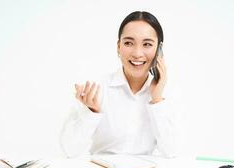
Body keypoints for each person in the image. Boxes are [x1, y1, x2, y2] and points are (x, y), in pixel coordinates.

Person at [60, 11, 176, 158]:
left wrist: (157, 100)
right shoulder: (97, 88)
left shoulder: (165, 93)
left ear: (159, 50)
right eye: (128, 43)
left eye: (147, 44)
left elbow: (172, 151)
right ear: (118, 46)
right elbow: (70, 150)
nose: (137, 53)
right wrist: (91, 112)